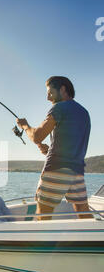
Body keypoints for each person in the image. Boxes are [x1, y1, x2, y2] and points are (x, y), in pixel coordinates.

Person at [16, 76, 92, 220]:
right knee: (84, 213)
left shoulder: (59, 108)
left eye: (50, 92)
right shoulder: (84, 113)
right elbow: (72, 143)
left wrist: (25, 126)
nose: (48, 97)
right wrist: (49, 150)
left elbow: (37, 136)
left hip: (55, 169)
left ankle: (42, 241)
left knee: (43, 214)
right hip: (77, 172)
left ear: (62, 89)